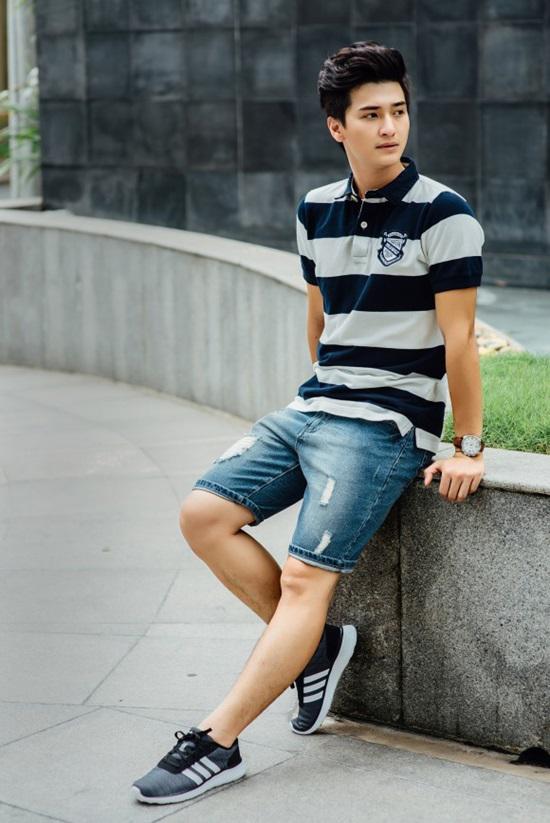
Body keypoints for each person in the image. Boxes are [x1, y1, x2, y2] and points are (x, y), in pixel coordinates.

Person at [132, 40, 486, 805]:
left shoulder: (445, 214)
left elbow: (460, 341)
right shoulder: (315, 209)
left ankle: (217, 740)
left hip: (388, 423)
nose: (389, 127)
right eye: (371, 114)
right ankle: (315, 647)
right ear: (337, 126)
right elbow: (319, 316)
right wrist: (320, 391)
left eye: (398, 111)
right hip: (315, 405)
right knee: (202, 515)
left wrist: (467, 445)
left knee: (303, 576)